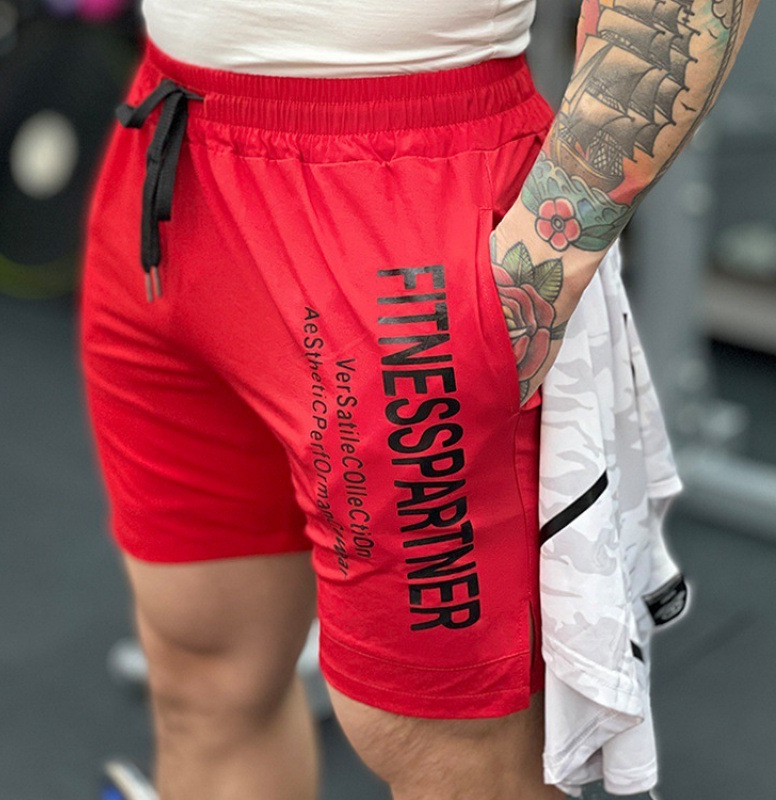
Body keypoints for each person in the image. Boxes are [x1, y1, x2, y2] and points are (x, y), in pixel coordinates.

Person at [78, 1, 759, 798]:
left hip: (406, 192)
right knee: (204, 682)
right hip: (169, 159)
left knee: (454, 756)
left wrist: (538, 272)